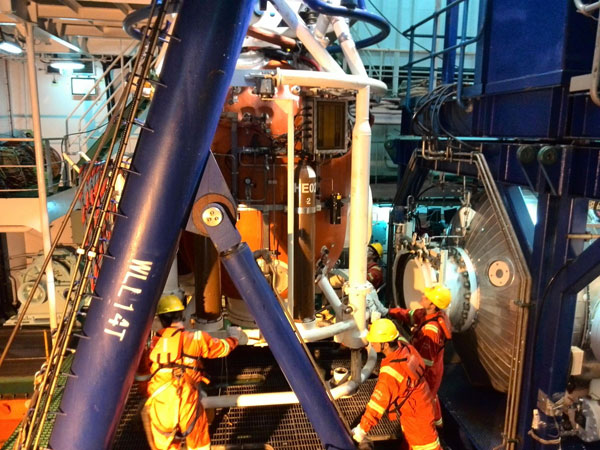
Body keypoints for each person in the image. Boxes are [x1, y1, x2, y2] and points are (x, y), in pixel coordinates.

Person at [142, 295, 247, 450]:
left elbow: (142, 376)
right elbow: (221, 349)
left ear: (161, 319)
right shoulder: (194, 338)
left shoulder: (152, 344)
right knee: (199, 444)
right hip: (187, 401)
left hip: (161, 403)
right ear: (183, 315)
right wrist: (235, 337)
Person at [352, 318, 442, 450]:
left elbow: (376, 405)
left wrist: (361, 431)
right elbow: (396, 335)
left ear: (386, 345)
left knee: (427, 446)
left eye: (375, 340)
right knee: (409, 444)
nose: (371, 342)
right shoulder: (405, 347)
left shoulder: (391, 373)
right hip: (420, 404)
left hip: (416, 418)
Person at [387, 284, 452, 427]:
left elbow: (423, 364)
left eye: (427, 297)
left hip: (429, 373)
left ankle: (429, 425)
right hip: (433, 367)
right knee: (432, 396)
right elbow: (409, 315)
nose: (423, 296)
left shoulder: (431, 331)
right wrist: (387, 311)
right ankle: (438, 423)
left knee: (427, 398)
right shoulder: (427, 314)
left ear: (433, 304)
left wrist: (403, 344)